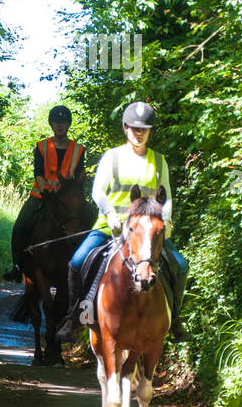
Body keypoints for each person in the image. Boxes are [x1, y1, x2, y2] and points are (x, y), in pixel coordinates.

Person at [57, 101, 188, 340]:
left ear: (149, 131)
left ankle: (176, 320)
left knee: (180, 265)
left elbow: (166, 197)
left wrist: (165, 221)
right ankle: (75, 316)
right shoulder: (112, 157)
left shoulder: (159, 161)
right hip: (111, 227)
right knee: (76, 262)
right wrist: (109, 214)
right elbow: (98, 192)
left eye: (144, 129)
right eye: (134, 128)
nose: (139, 133)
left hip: (147, 232)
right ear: (126, 128)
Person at [5, 105, 87, 280]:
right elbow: (38, 173)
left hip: (67, 200)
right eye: (56, 122)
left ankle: (87, 266)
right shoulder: (42, 147)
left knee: (88, 221)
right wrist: (46, 194)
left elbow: (80, 177)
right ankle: (17, 265)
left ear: (68, 124)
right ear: (51, 124)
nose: (59, 125)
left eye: (63, 122)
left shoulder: (78, 150)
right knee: (20, 225)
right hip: (42, 197)